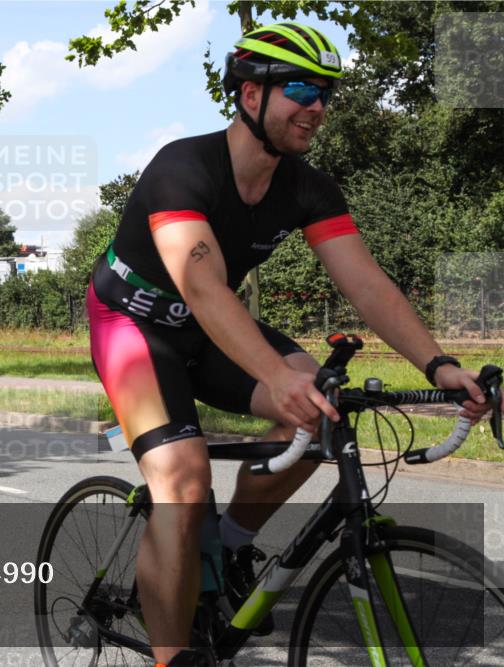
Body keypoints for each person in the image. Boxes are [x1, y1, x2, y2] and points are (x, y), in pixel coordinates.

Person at [87, 22, 497, 666]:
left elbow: (368, 285)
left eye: (325, 93)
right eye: (301, 90)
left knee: (319, 410)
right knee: (184, 483)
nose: (318, 108)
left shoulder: (306, 187)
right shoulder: (183, 167)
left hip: (208, 330)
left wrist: (439, 364)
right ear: (250, 96)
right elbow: (200, 283)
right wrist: (274, 377)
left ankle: (226, 544)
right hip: (136, 328)